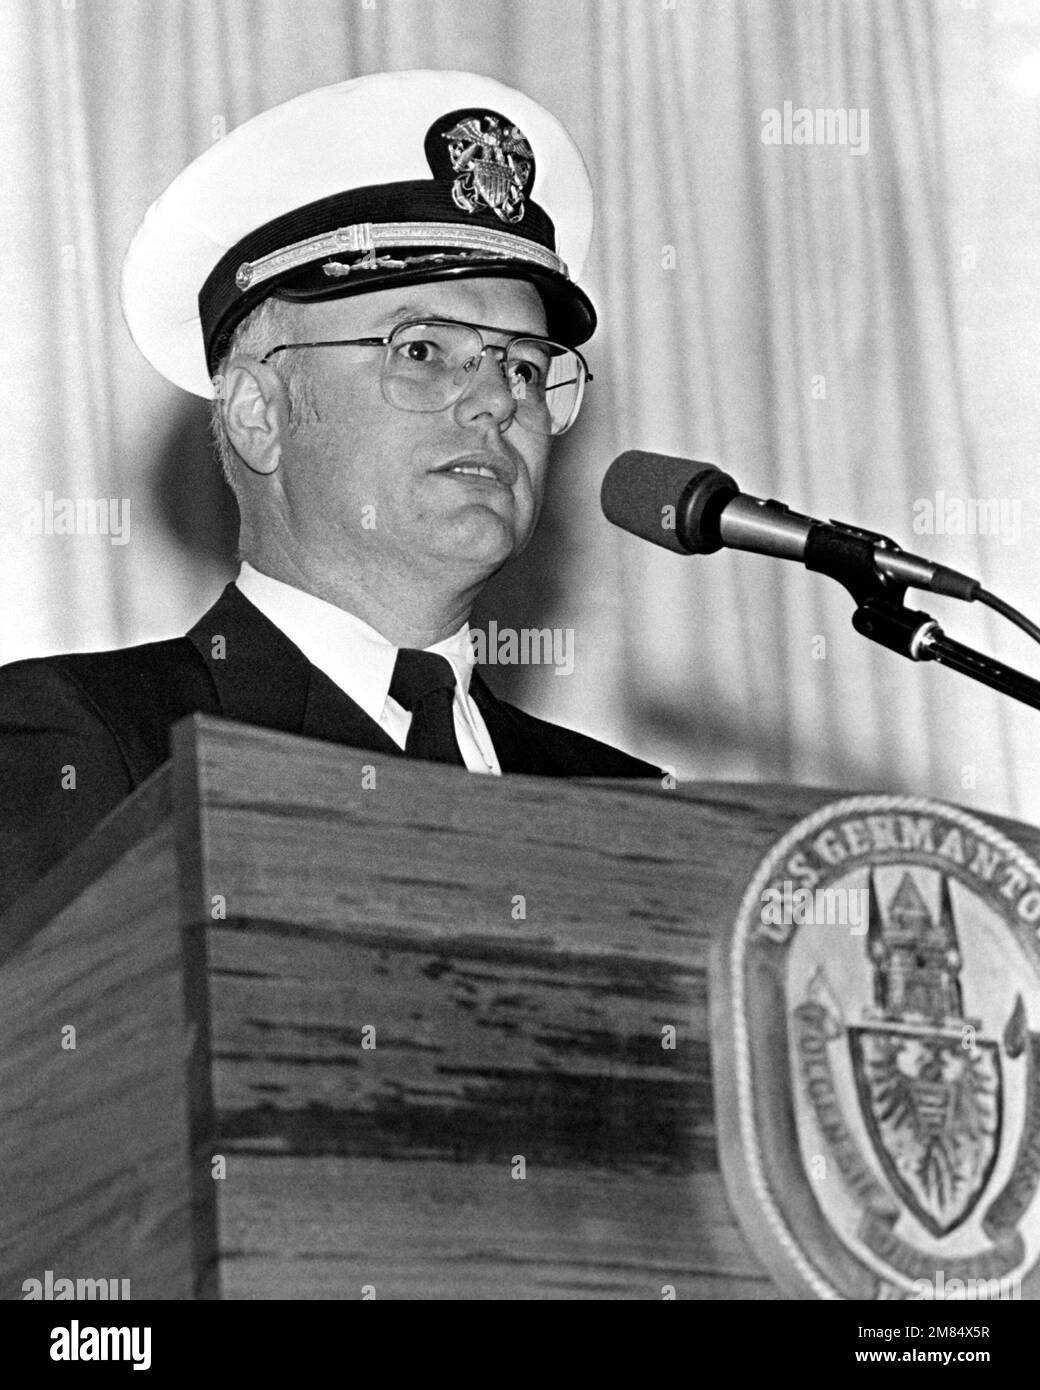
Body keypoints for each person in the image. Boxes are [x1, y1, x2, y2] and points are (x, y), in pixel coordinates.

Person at [0, 69, 658, 915]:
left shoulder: (627, 807)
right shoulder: (102, 748)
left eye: (525, 367)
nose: (498, 400)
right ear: (258, 412)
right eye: (423, 351)